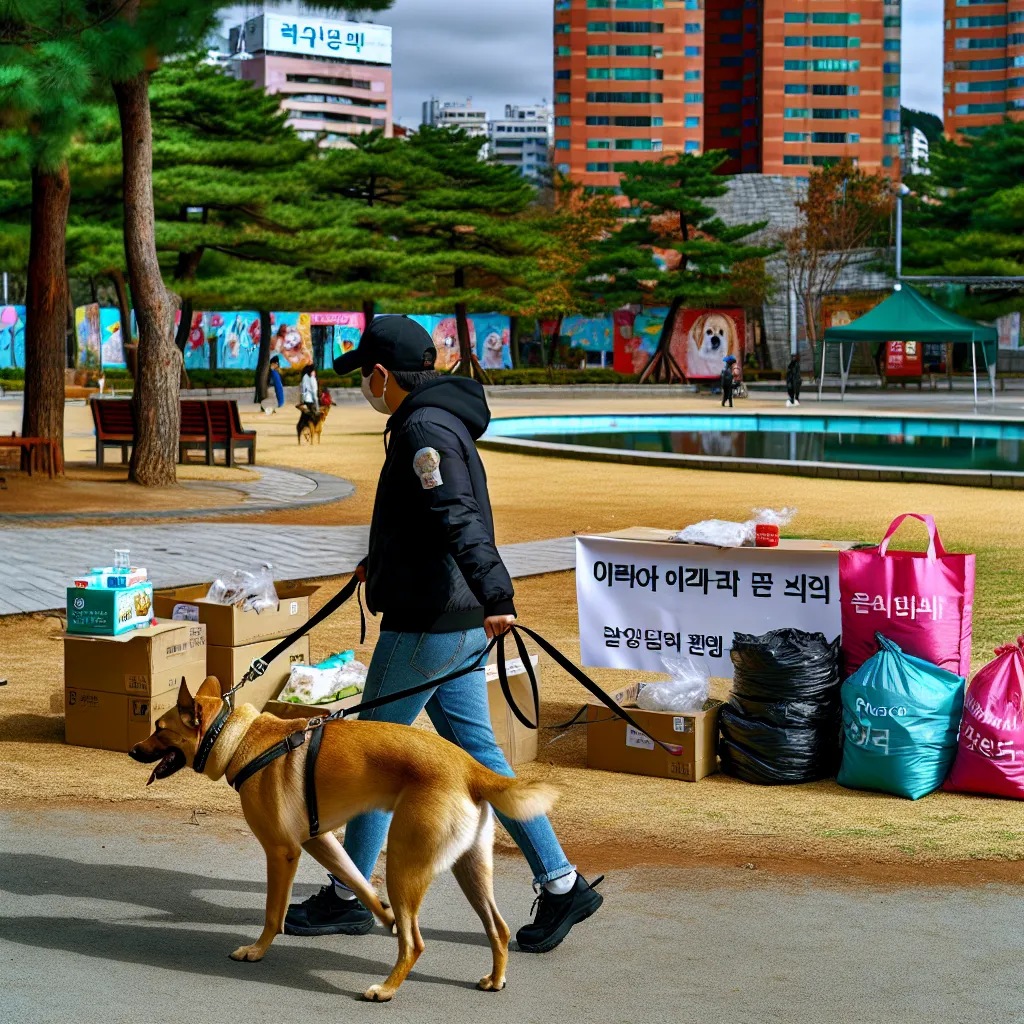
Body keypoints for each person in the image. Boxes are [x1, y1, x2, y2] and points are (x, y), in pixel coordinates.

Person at [285, 315, 603, 952]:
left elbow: (458, 518)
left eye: (364, 378)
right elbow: (429, 521)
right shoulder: (433, 419)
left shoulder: (424, 429)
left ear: (381, 375)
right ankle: (563, 883)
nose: (362, 390)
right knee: (482, 762)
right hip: (446, 619)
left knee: (375, 753)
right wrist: (383, 562)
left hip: (429, 624)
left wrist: (498, 594)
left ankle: (351, 895)